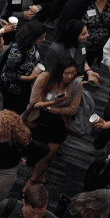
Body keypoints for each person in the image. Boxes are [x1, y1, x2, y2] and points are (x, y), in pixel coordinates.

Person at [26, 57, 84, 187]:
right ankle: (36, 170)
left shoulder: (76, 83)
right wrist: (54, 103)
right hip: (38, 120)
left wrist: (50, 108)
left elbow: (72, 109)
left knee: (48, 155)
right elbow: (33, 104)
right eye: (66, 73)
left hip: (59, 124)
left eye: (73, 73)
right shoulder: (45, 78)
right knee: (36, 150)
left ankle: (33, 179)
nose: (70, 76)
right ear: (58, 71)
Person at [0, 110, 48, 213]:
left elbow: (44, 149)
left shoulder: (20, 141)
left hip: (7, 171)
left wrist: (28, 163)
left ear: (9, 130)